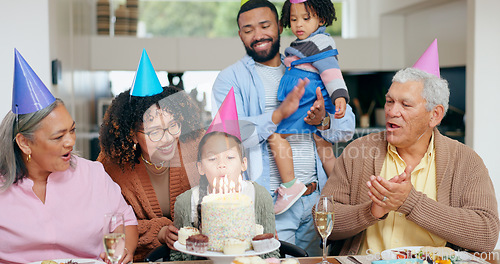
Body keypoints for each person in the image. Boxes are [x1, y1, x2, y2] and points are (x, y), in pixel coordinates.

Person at [321, 39, 499, 255]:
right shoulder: (358, 152)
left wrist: (410, 202)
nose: (392, 111)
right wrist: (372, 211)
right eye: (389, 101)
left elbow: (486, 234)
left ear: (435, 115)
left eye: (405, 104)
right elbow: (323, 221)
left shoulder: (466, 161)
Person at [212, 0, 355, 256]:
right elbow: (228, 139)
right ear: (240, 34)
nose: (258, 35)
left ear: (280, 25)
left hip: (316, 200)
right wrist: (278, 115)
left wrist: (322, 120)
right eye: (248, 30)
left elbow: (347, 127)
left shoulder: (309, 66)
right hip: (271, 205)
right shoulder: (230, 79)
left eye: (265, 26)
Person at [0, 49, 138, 264]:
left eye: (71, 130)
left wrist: (124, 250)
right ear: (25, 143)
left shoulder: (93, 175)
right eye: (58, 137)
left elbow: (126, 220)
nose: (70, 142)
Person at [97, 49, 204, 261]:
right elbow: (106, 221)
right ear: (133, 135)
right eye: (154, 132)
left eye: (173, 125)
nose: (167, 139)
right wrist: (159, 232)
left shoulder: (198, 145)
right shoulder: (111, 166)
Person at [171, 91, 279, 259]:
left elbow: (270, 252)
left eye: (230, 157)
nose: (222, 164)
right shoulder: (187, 202)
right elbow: (178, 256)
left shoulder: (258, 196)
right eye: (212, 158)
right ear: (200, 167)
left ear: (244, 163)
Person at [267, 0, 350, 215]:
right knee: (322, 144)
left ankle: (289, 184)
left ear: (321, 19)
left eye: (306, 18)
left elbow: (331, 72)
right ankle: (341, 191)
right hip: (306, 99)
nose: (298, 24)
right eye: (293, 19)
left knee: (276, 136)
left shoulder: (319, 43)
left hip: (305, 100)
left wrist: (340, 96)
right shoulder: (304, 43)